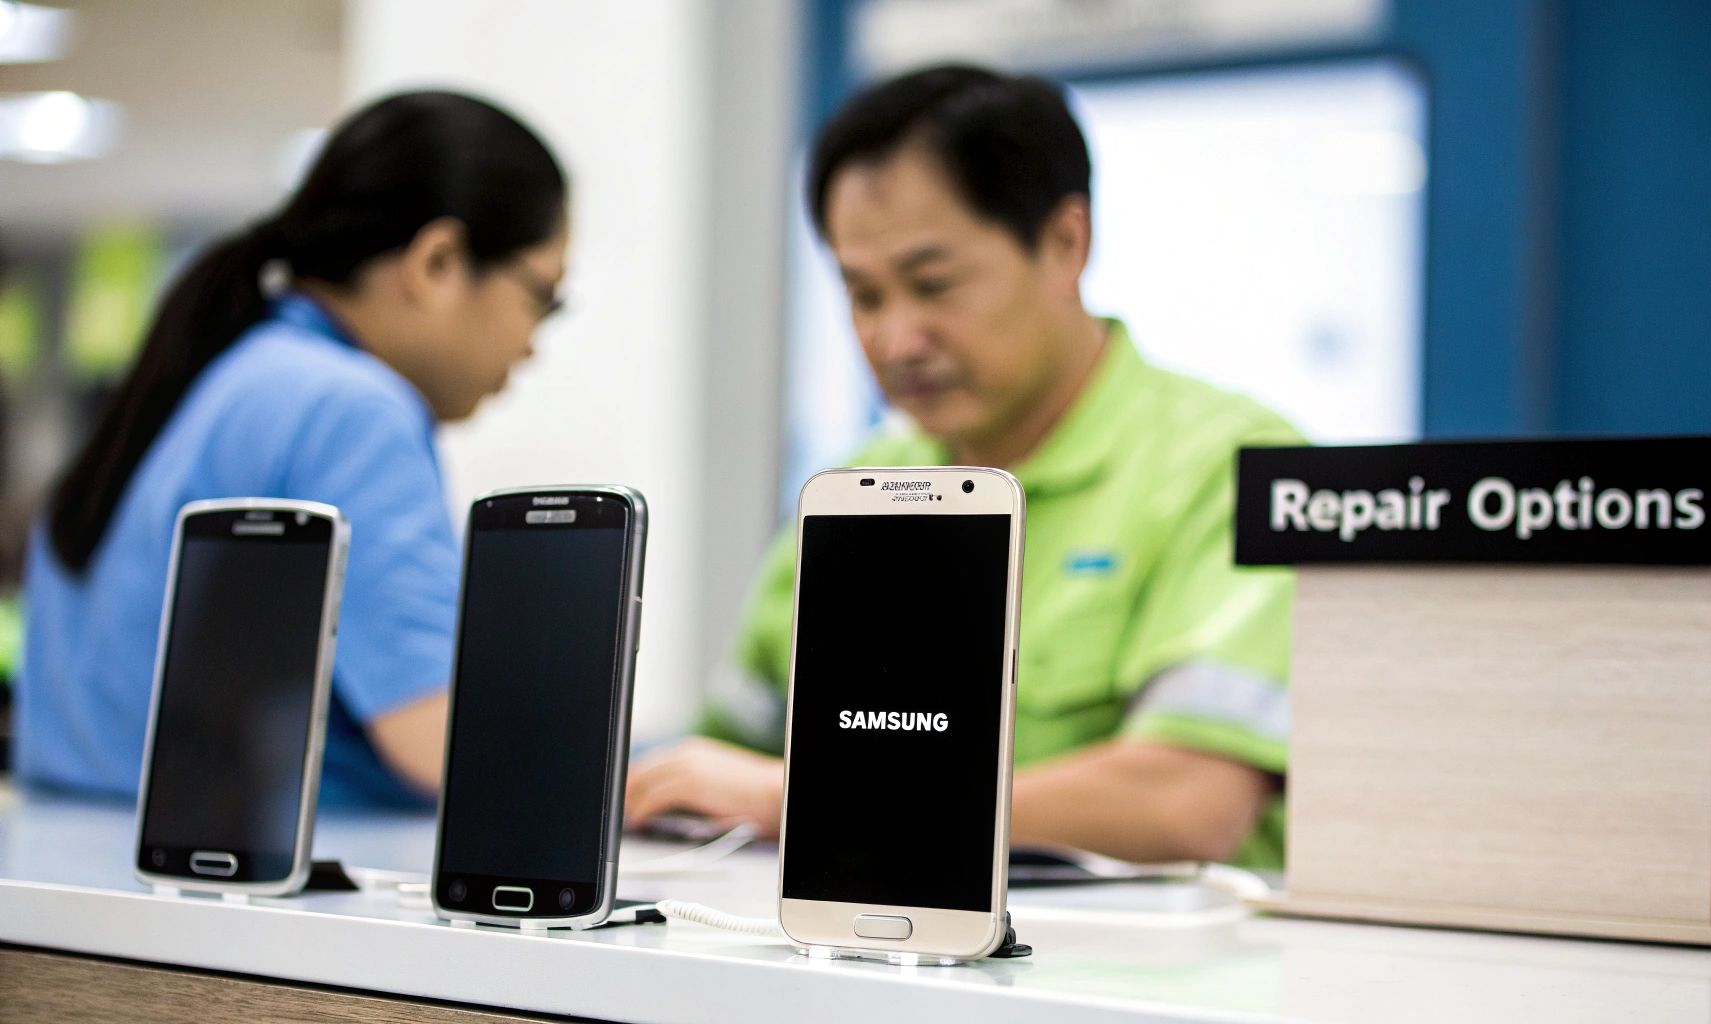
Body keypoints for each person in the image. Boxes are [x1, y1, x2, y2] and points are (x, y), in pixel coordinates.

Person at [626, 65, 1302, 867]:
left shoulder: (1235, 470)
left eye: (933, 284)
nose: (896, 338)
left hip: (1147, 977)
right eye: (863, 295)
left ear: (1065, 243)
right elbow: (712, 769)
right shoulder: (851, 494)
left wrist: (800, 796)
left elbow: (1185, 803)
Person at [18, 91, 568, 806]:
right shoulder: (351, 409)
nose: (533, 344)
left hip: (64, 882)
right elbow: (446, 746)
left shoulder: (212, 372)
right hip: (256, 903)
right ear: (438, 262)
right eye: (544, 298)